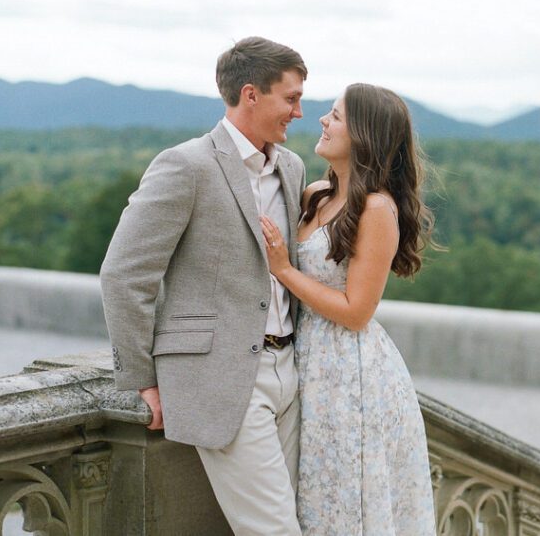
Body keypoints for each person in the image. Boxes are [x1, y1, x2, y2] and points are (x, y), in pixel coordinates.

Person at [100, 37, 307, 536]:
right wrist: (143, 381)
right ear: (251, 94)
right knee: (275, 530)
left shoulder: (293, 168)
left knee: (296, 520)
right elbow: (124, 273)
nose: (299, 112)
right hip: (220, 379)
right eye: (291, 98)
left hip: (291, 374)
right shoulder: (186, 164)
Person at [260, 83, 437, 536]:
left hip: (350, 373)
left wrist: (282, 269)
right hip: (305, 361)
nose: (322, 120)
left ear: (364, 134)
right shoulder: (315, 194)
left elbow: (357, 311)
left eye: (335, 116)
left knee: (342, 500)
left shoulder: (377, 208)